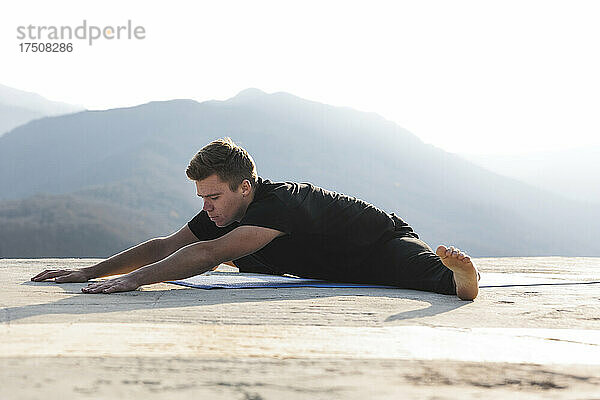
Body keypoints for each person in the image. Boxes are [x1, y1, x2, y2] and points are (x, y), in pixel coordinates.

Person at [32, 137, 480, 300]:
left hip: (375, 246)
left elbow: (210, 253)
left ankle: (462, 275)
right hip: (321, 266)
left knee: (429, 276)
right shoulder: (225, 208)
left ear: (244, 187)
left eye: (213, 196)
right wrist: (88, 271)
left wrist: (136, 281)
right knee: (239, 254)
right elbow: (167, 246)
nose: (206, 206)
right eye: (202, 197)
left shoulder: (280, 203)